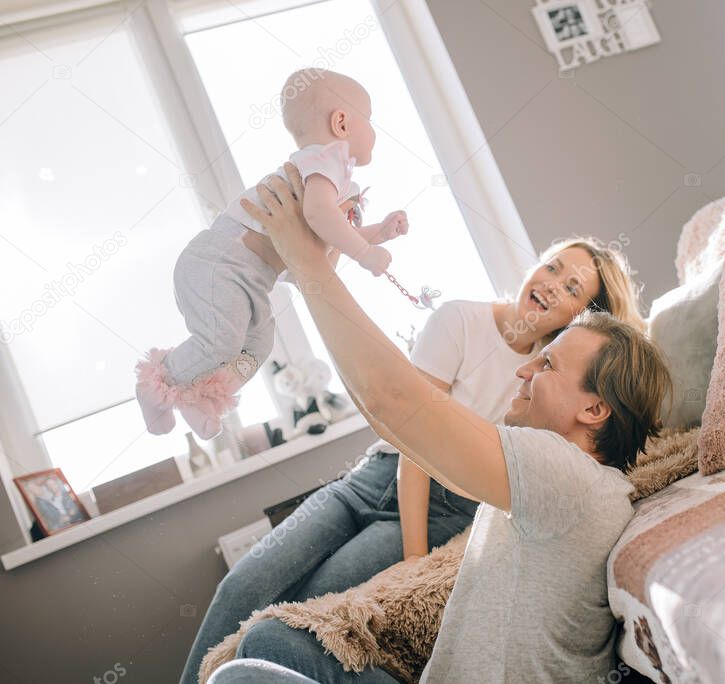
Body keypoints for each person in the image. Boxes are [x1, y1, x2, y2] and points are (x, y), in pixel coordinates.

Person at [205, 166, 671, 683]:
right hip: (377, 482)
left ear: (594, 410)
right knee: (265, 635)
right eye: (552, 268)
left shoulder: (563, 473)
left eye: (547, 365)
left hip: (437, 504)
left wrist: (307, 259)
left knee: (244, 667)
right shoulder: (546, 465)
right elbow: (399, 416)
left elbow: (395, 399)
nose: (525, 368)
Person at [135, 68, 408, 441]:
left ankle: (199, 398)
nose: (375, 130)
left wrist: (379, 234)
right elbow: (318, 216)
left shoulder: (330, 178)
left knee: (258, 345)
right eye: (370, 120)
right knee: (221, 343)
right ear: (342, 123)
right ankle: (158, 382)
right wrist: (363, 252)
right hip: (219, 264)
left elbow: (326, 233)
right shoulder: (324, 159)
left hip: (249, 279)